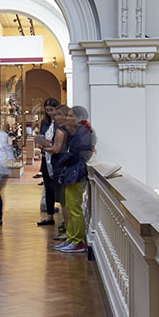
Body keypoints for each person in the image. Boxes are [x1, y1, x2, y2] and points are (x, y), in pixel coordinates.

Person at [52, 105, 95, 254]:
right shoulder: (79, 132)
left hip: (76, 172)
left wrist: (62, 161)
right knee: (70, 207)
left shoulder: (83, 132)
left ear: (79, 118)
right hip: (72, 171)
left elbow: (76, 154)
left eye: (71, 116)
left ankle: (77, 241)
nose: (67, 118)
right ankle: (71, 238)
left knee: (74, 208)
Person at [36, 103, 71, 240]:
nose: (53, 115)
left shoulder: (62, 130)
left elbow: (56, 149)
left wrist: (44, 147)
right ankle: (66, 230)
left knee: (65, 201)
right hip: (53, 162)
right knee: (59, 197)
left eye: (55, 113)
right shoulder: (50, 125)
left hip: (59, 164)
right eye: (49, 111)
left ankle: (69, 232)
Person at [36, 98, 61, 227]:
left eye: (51, 109)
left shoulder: (60, 123)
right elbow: (41, 135)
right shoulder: (44, 122)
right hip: (46, 158)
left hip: (56, 159)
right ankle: (49, 215)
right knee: (48, 187)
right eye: (47, 110)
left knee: (57, 187)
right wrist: (41, 142)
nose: (49, 112)